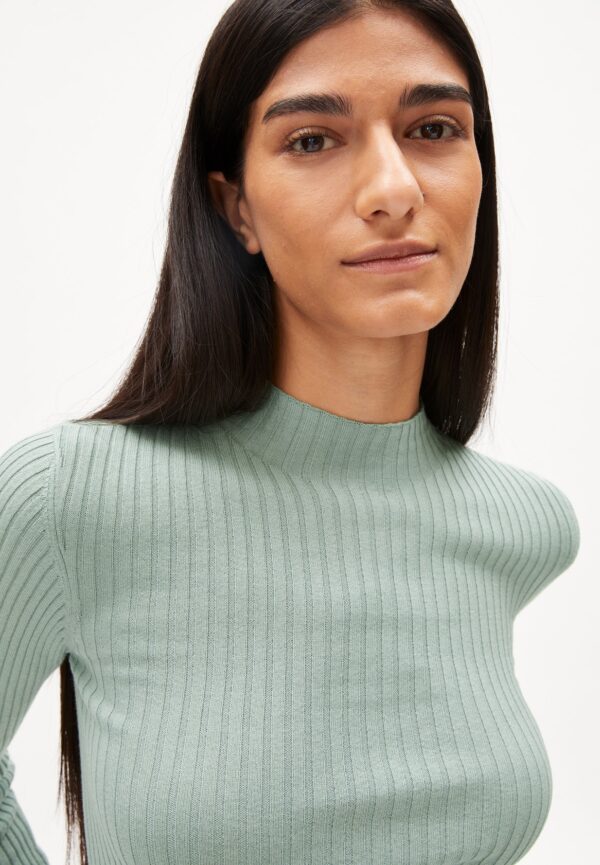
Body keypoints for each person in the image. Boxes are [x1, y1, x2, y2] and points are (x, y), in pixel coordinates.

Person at [0, 1, 580, 864]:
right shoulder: (70, 496)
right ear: (235, 207)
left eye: (433, 129)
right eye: (312, 140)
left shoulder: (522, 525)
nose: (394, 190)